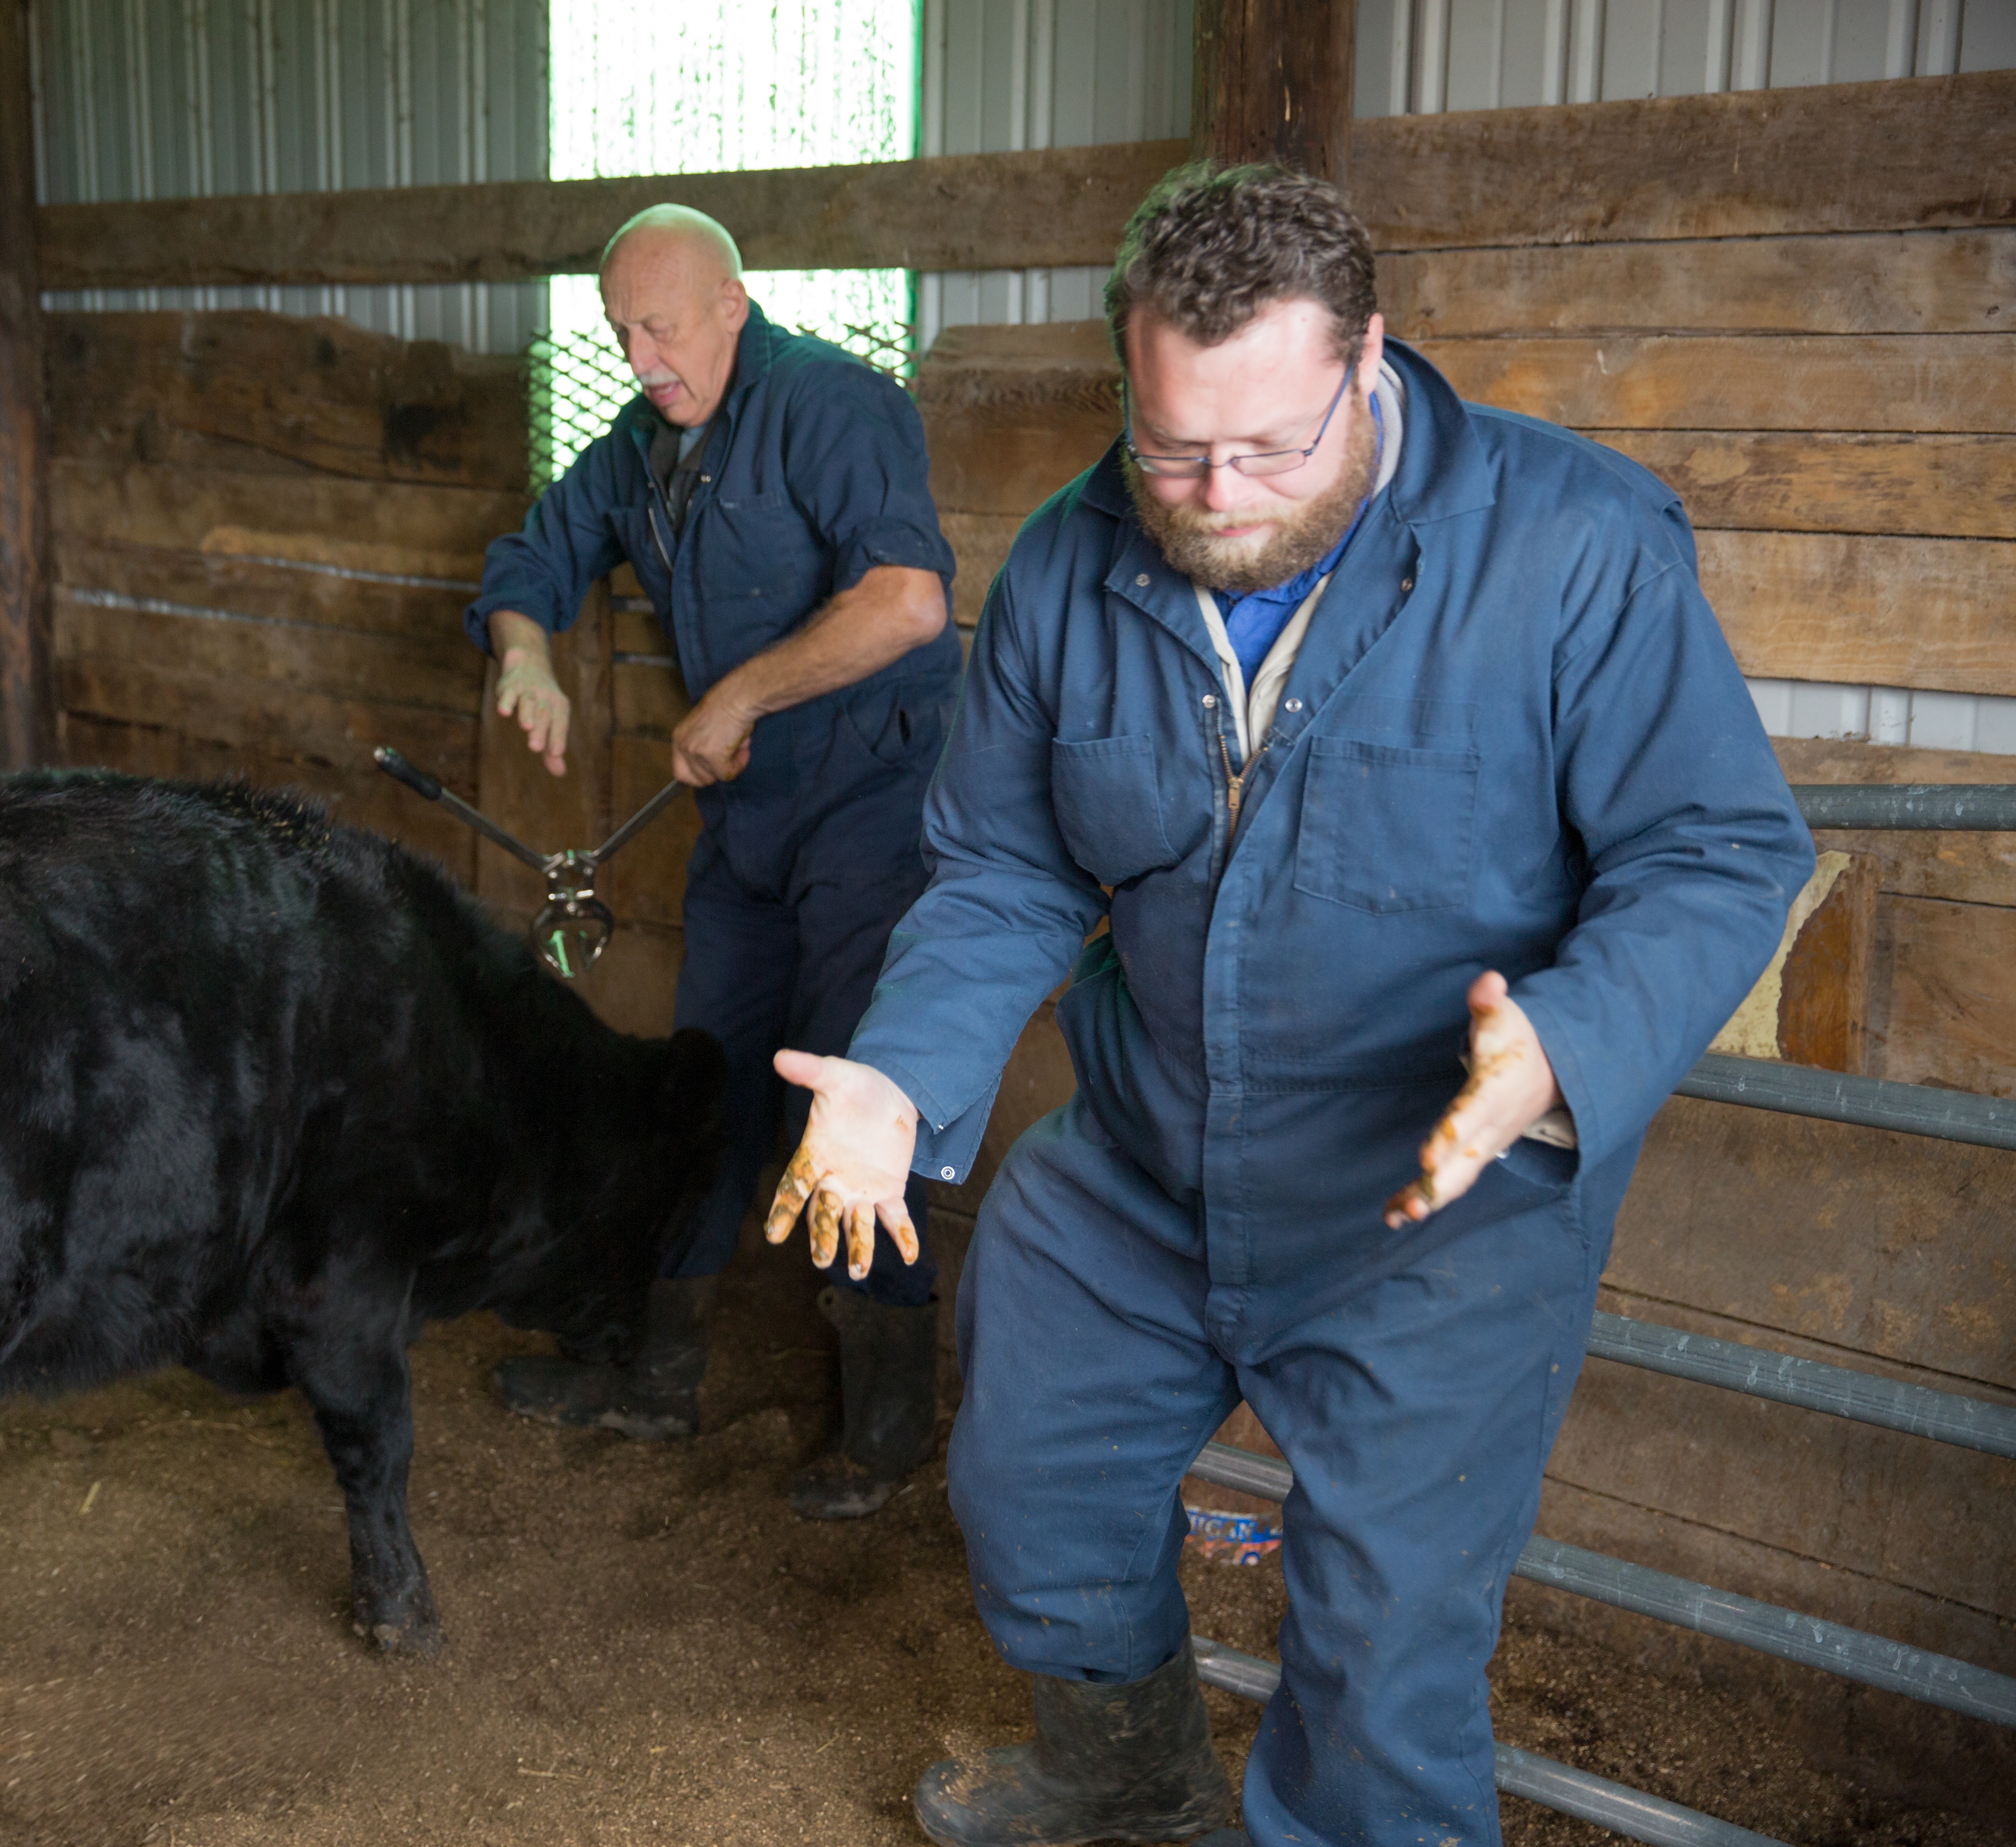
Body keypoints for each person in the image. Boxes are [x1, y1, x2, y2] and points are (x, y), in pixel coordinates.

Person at [762, 165, 1814, 1844]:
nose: (1219, 495)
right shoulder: (1067, 565)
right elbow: (1006, 867)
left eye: (1268, 448)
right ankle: (1124, 1782)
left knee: (1383, 1649)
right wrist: (901, 1073)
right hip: (1145, 1157)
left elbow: (1716, 849)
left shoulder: (1573, 546)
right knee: (1033, 1486)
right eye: (1172, 449)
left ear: (1366, 359)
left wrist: (1564, 1044)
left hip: (1441, 1192)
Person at [465, 204, 961, 1519]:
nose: (640, 358)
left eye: (661, 327)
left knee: (847, 1093)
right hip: (748, 827)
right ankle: (659, 1373)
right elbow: (537, 555)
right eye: (621, 332)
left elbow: (908, 601)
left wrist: (737, 696)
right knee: (703, 1081)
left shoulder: (833, 407)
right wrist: (527, 655)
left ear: (734, 305)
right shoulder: (644, 444)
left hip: (871, 809)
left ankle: (887, 1420)